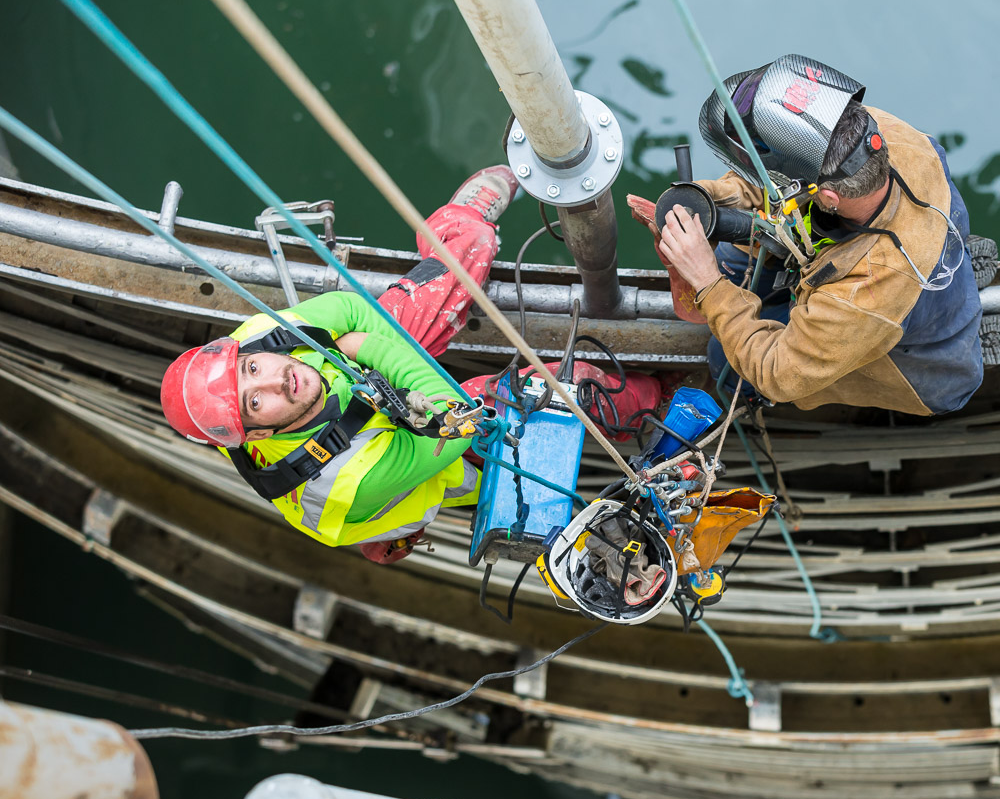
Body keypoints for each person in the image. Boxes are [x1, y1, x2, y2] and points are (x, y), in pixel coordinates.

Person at [159, 166, 662, 563]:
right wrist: (363, 349)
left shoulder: (253, 344)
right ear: (258, 436)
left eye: (251, 370)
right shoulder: (348, 480)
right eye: (255, 401)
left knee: (441, 276)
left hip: (361, 395)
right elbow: (459, 422)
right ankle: (654, 399)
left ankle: (466, 224)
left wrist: (365, 348)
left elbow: (354, 309)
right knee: (562, 390)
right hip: (414, 466)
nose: (274, 378)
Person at [654, 54, 985, 417]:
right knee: (734, 261)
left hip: (918, 366)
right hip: (888, 255)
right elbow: (783, 174)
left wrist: (707, 282)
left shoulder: (865, 294)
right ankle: (954, 274)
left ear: (828, 197)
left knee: (727, 360)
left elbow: (776, 372)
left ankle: (951, 323)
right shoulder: (868, 130)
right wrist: (726, 194)